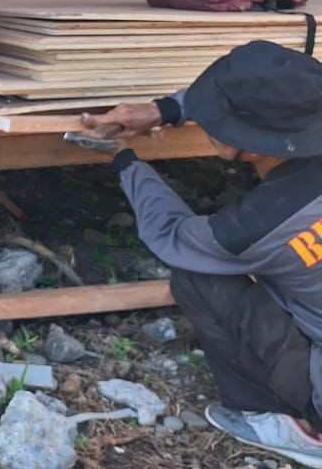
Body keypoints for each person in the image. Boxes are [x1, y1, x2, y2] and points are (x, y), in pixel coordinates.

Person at [82, 41, 322, 469]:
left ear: (252, 145)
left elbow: (171, 233)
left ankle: (285, 426)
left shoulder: (253, 226)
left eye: (214, 118)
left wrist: (122, 161)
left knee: (198, 277)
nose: (206, 121)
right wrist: (164, 110)